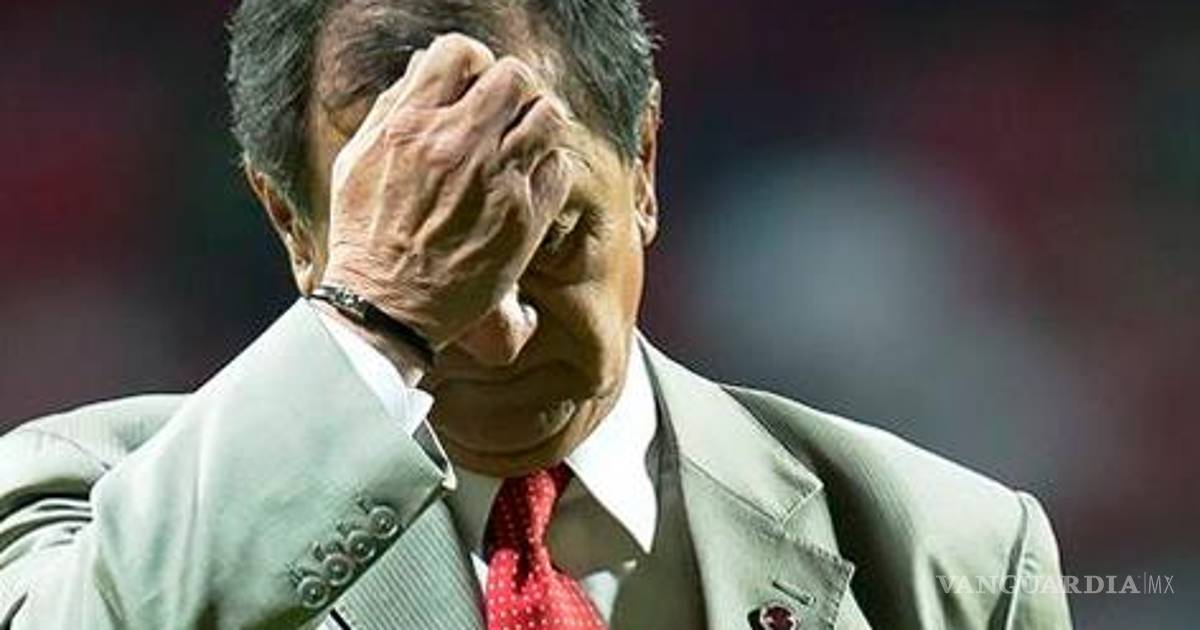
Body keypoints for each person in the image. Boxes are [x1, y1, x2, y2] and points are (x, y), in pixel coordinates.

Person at [0, 1, 1073, 628]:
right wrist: (376, 315)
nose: (492, 326)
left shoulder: (952, 555)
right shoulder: (79, 502)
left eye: (540, 235)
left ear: (642, 163)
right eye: (432, 263)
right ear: (293, 225)